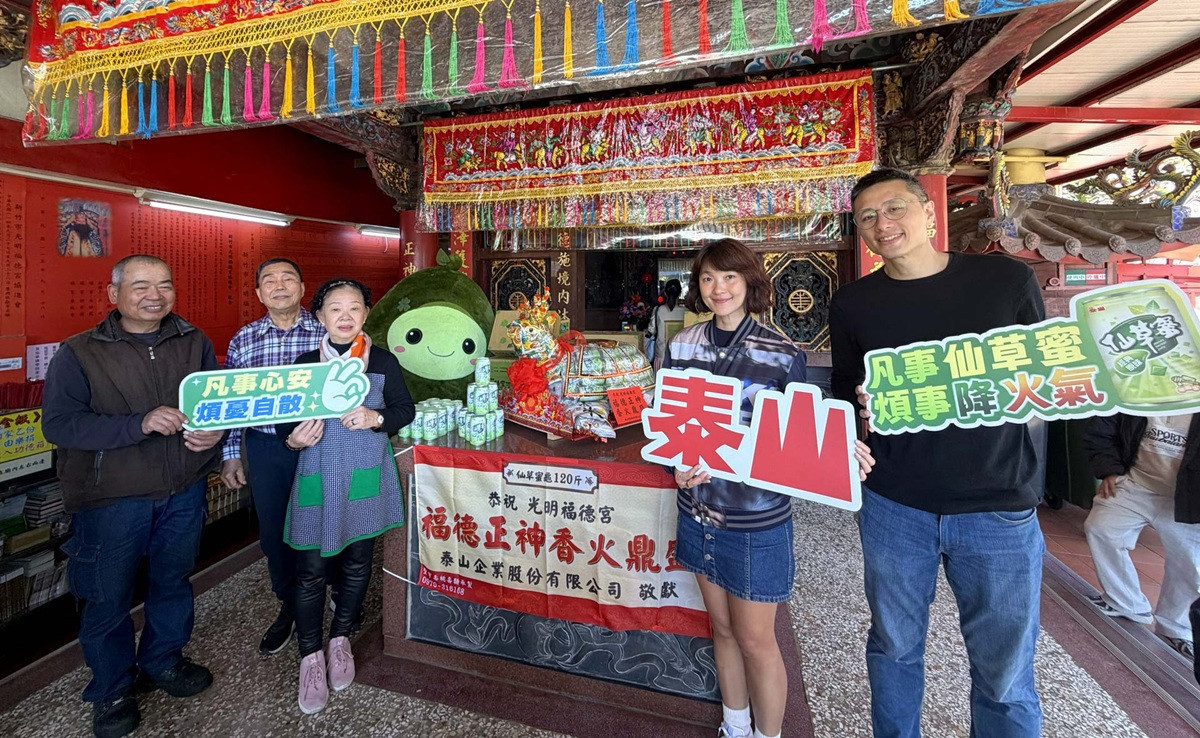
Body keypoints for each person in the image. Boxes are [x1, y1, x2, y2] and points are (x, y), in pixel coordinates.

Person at [829, 168, 1047, 737]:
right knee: (894, 647)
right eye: (868, 217)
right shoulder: (853, 304)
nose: (883, 224)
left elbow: (1044, 376)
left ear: (928, 212)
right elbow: (845, 394)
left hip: (997, 504)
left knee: (1005, 672)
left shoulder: (1005, 281)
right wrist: (852, 426)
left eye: (895, 208)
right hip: (895, 504)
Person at [664, 239, 872, 738]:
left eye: (730, 277)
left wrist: (839, 447)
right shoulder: (681, 345)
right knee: (721, 629)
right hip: (697, 509)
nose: (718, 288)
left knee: (757, 640)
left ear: (750, 282)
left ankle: (768, 733)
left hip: (755, 518)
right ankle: (735, 724)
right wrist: (675, 467)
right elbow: (669, 421)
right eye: (708, 278)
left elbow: (802, 427)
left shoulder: (782, 353)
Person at [42, 255, 226, 738]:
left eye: (164, 285)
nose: (155, 295)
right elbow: (59, 424)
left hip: (182, 490)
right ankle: (112, 689)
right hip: (112, 498)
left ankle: (163, 660)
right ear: (114, 294)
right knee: (106, 596)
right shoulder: (80, 351)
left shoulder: (193, 340)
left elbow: (215, 405)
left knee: (172, 582)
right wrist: (138, 424)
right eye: (141, 285)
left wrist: (215, 433)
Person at [277, 278, 415, 714]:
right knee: (310, 570)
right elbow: (284, 422)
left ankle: (339, 640)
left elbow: (404, 410)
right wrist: (294, 440)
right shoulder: (305, 364)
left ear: (365, 314)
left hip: (365, 473)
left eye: (354, 308)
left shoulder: (383, 360)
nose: (345, 316)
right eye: (335, 308)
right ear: (319, 316)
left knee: (357, 562)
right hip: (318, 473)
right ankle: (309, 657)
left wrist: (377, 418)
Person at [219, 258, 325, 655]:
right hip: (266, 450)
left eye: (288, 279)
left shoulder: (326, 333)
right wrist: (232, 456)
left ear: (302, 288)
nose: (279, 286)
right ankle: (289, 605)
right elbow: (232, 404)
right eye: (270, 281)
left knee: (325, 520)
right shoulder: (244, 339)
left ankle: (329, 594)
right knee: (275, 531)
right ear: (259, 293)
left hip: (320, 445)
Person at [1082, 412, 1200, 659]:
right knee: (1102, 528)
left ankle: (1176, 628)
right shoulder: (1140, 392)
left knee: (1190, 565)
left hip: (1188, 498)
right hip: (1136, 483)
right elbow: (1101, 429)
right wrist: (1109, 470)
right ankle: (1125, 601)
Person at [648, 278, 686, 371]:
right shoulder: (686, 312)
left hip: (662, 354)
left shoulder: (658, 310)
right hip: (681, 354)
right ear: (680, 293)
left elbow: (651, 330)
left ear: (665, 293)